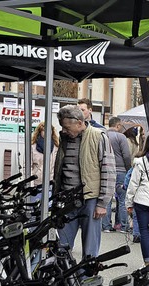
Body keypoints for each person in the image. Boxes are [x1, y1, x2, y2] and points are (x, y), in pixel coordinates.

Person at [53, 104, 115, 260]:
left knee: (90, 250)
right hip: (66, 199)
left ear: (79, 123)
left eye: (67, 127)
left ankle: (86, 281)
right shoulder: (65, 138)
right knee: (62, 247)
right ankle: (66, 282)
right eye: (62, 127)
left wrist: (102, 203)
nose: (64, 130)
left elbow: (109, 171)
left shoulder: (98, 136)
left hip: (90, 200)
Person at [102, 116, 133, 233]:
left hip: (105, 170)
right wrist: (128, 169)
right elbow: (126, 155)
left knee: (107, 199)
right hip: (120, 171)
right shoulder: (121, 137)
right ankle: (123, 226)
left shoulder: (102, 135)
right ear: (118, 125)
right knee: (122, 199)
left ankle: (106, 226)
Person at [31, 122, 59, 187]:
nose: (46, 132)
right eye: (44, 130)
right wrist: (30, 184)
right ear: (40, 132)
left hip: (50, 183)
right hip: (36, 183)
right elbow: (26, 167)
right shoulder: (33, 147)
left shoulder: (56, 148)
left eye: (49, 130)